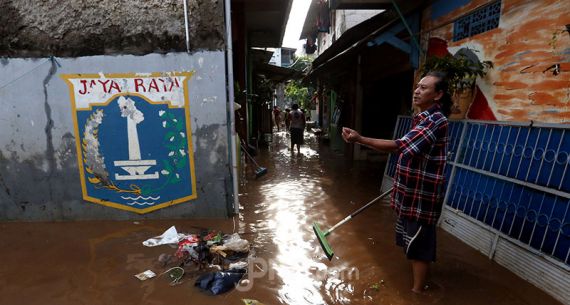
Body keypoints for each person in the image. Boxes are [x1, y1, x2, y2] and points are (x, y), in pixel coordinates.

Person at [341, 71, 451, 293]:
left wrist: (360, 139)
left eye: (424, 88)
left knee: (419, 246)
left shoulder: (436, 120)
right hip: (410, 193)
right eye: (417, 87)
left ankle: (417, 292)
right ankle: (416, 282)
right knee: (410, 241)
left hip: (422, 196)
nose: (417, 91)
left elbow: (400, 146)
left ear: (438, 95)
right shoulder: (421, 118)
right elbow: (413, 154)